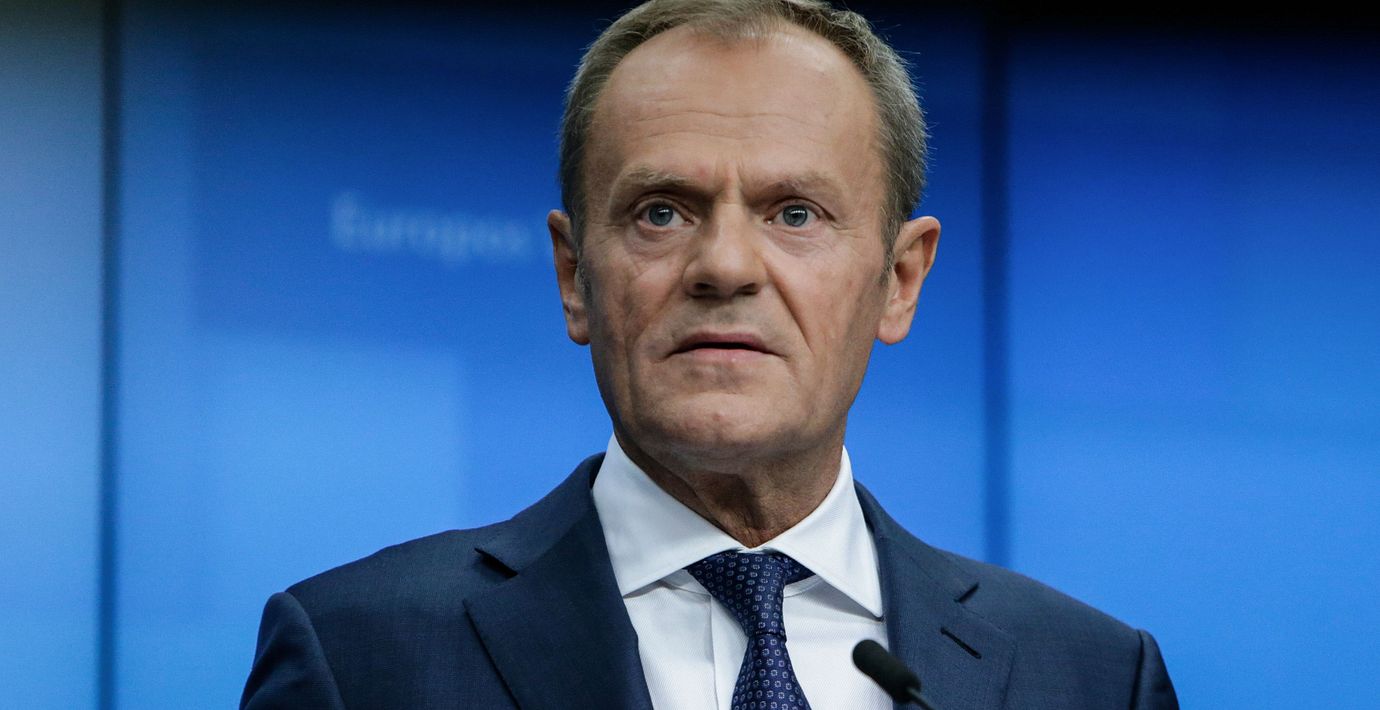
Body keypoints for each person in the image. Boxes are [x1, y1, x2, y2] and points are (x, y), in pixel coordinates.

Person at [241, 1, 1179, 708]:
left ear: (900, 280)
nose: (725, 266)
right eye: (662, 212)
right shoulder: (360, 656)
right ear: (574, 276)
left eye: (795, 214)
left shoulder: (1093, 677)